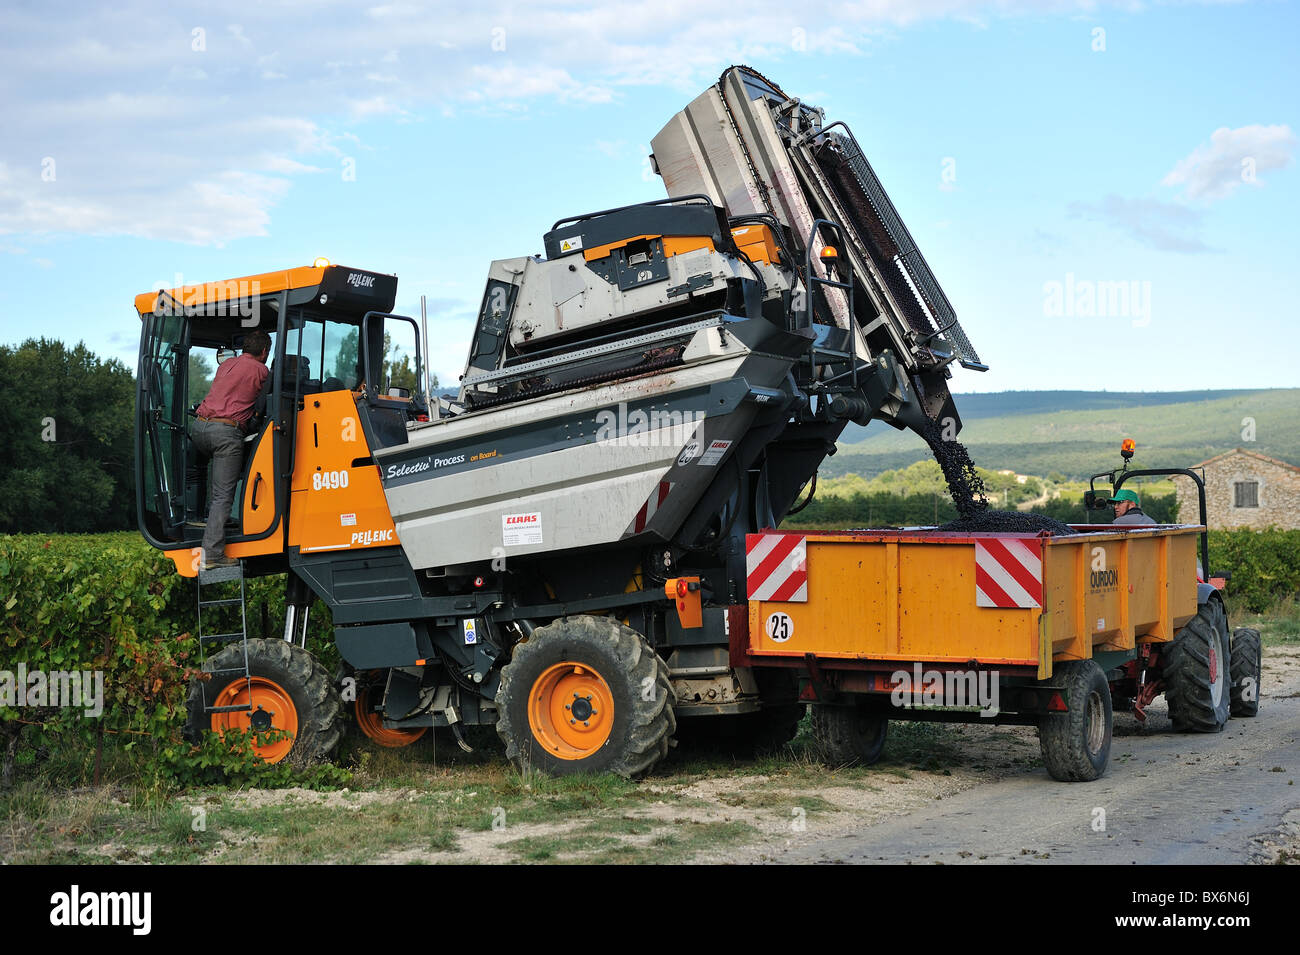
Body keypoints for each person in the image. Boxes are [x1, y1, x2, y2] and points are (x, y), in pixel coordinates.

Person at [191, 331, 272, 568]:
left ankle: (195, 516)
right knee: (223, 495)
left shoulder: (225, 365)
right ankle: (213, 555)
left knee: (203, 471)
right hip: (225, 433)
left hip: (199, 429)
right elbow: (263, 404)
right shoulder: (261, 371)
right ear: (264, 352)